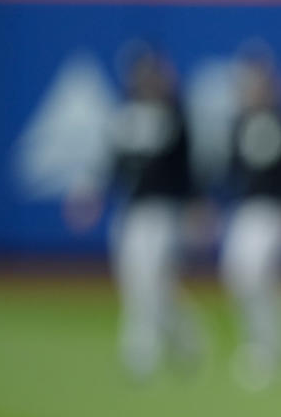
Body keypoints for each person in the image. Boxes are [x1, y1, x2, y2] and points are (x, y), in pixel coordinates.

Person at [67, 42, 203, 381]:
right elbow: (111, 163)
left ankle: (141, 353)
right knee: (141, 281)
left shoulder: (174, 113)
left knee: (151, 278)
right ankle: (189, 340)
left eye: (149, 72)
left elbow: (187, 167)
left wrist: (195, 206)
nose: (144, 79)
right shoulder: (125, 114)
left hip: (164, 209)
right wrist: (92, 194)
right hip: (131, 209)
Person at [219, 49, 281, 390]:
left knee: (256, 274)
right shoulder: (240, 122)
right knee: (238, 276)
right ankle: (261, 343)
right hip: (245, 209)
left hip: (275, 209)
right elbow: (232, 171)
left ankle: (271, 348)